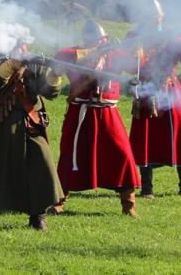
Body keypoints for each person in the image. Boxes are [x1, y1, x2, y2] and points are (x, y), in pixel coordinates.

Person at [0, 54, 64, 232]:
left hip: (30, 123)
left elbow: (49, 92)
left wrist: (55, 74)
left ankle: (38, 217)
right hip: (0, 123)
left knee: (42, 167)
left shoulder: (36, 63)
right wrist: (11, 65)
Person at [54, 20, 140, 216]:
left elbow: (135, 65)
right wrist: (93, 53)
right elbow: (62, 57)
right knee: (70, 155)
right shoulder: (74, 54)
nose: (101, 43)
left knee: (123, 154)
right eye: (98, 40)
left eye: (103, 40)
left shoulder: (114, 55)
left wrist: (135, 48)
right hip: (80, 112)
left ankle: (129, 204)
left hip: (108, 112)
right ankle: (58, 200)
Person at [129, 24, 181, 198]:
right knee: (145, 137)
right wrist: (136, 47)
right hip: (147, 91)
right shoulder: (136, 37)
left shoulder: (172, 38)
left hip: (171, 90)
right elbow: (130, 66)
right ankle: (147, 187)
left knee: (180, 134)